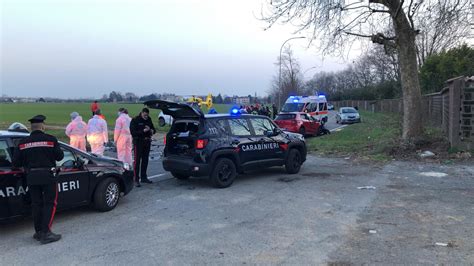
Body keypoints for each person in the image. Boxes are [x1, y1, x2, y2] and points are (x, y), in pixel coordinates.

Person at [12, 115, 64, 244]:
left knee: (36, 204)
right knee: (50, 204)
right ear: (42, 126)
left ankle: (38, 231)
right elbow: (59, 157)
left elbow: (16, 162)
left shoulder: (22, 143)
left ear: (31, 127)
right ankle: (46, 233)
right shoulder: (51, 140)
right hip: (48, 176)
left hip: (31, 177)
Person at [130, 108, 155, 187]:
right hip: (138, 142)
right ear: (142, 113)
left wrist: (151, 130)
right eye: (145, 115)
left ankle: (144, 177)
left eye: (147, 115)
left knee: (145, 160)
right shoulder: (135, 120)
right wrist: (143, 131)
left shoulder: (149, 119)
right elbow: (133, 132)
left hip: (147, 142)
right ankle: (136, 179)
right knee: (137, 161)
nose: (146, 117)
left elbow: (154, 129)